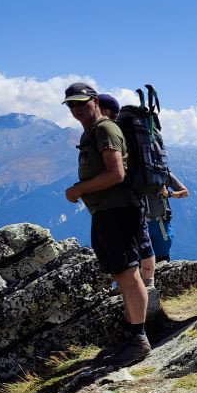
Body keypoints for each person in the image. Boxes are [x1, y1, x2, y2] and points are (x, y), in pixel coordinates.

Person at [62, 82, 150, 365]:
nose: (76, 109)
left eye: (81, 103)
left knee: (127, 272)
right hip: (106, 211)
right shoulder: (92, 131)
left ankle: (139, 338)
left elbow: (116, 174)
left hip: (119, 210)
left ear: (95, 100)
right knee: (120, 272)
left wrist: (79, 190)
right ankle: (132, 334)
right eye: (71, 105)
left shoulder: (105, 129)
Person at [98, 93, 158, 286]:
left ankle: (141, 287)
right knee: (141, 237)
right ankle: (147, 283)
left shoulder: (115, 131)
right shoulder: (129, 130)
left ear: (106, 110)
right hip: (135, 191)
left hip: (124, 194)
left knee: (130, 241)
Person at [146, 172, 189, 263]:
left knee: (153, 260)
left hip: (158, 225)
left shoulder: (163, 173)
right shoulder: (162, 173)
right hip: (157, 226)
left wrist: (169, 193)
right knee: (158, 260)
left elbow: (185, 192)